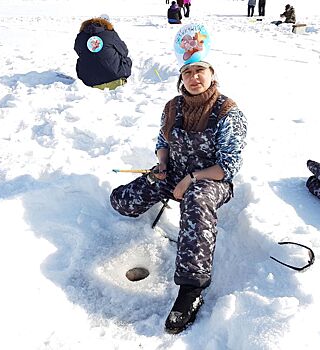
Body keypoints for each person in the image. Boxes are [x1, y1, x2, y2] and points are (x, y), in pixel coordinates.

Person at [110, 25, 247, 334]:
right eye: (188, 73)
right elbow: (162, 141)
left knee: (197, 199)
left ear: (211, 74)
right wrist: (161, 165)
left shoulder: (227, 111)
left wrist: (191, 179)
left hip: (212, 181)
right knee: (122, 202)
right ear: (181, 78)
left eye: (200, 71)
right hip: (173, 172)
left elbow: (229, 166)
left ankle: (191, 289)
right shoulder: (173, 107)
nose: (194, 77)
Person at [74, 15, 132, 90]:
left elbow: (78, 51)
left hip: (89, 80)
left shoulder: (80, 37)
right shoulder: (110, 34)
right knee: (126, 60)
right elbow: (124, 51)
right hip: (114, 77)